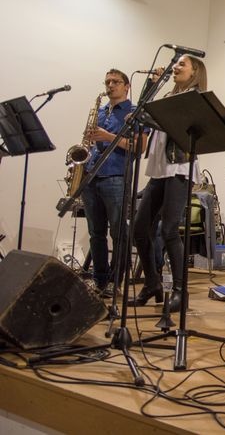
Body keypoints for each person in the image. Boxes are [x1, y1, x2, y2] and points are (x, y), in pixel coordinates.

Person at [132, 55, 207, 312]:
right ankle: (152, 283)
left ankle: (179, 291)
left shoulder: (194, 98)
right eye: (176, 64)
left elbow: (171, 125)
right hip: (159, 170)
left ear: (194, 71)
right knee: (140, 229)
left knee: (169, 230)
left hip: (179, 169)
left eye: (181, 64)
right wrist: (151, 85)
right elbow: (143, 112)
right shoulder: (167, 95)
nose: (175, 67)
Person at [82, 69, 146, 297]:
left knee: (119, 233)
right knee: (96, 233)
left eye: (116, 82)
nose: (110, 86)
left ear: (127, 86)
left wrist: (108, 137)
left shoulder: (135, 112)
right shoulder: (99, 111)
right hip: (91, 176)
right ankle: (99, 279)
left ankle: (115, 280)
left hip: (116, 177)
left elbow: (140, 147)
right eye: (107, 82)